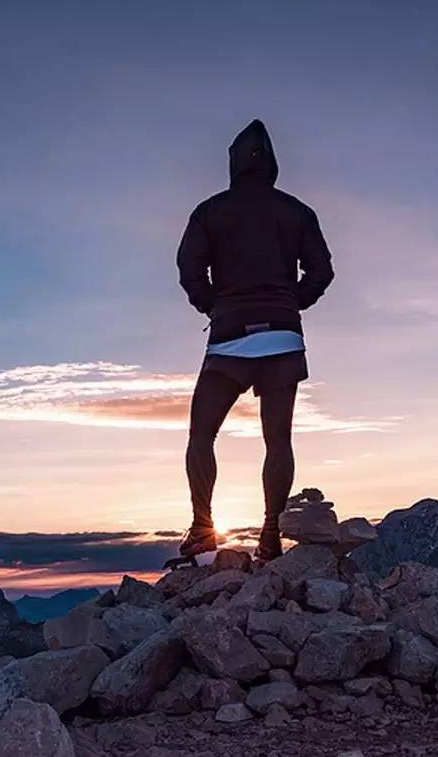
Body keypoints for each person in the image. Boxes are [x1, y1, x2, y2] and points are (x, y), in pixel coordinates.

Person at [175, 119, 334, 564]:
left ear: (232, 163)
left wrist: (214, 306)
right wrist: (290, 304)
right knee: (278, 440)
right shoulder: (298, 211)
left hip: (228, 339)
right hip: (283, 336)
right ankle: (269, 535)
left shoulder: (209, 211)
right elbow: (321, 272)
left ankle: (203, 528)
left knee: (202, 433)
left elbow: (190, 269)